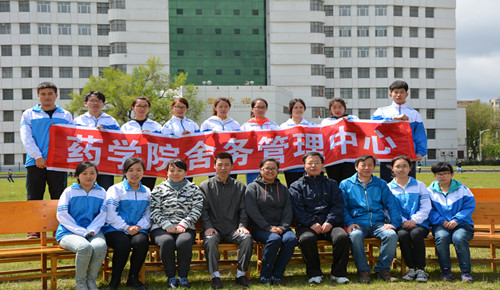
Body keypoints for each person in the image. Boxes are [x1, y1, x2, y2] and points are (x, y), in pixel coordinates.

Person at [20, 82, 73, 239]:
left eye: (50, 93)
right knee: (34, 195)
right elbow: (26, 137)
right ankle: (33, 229)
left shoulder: (66, 115)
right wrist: (37, 156)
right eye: (43, 94)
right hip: (35, 162)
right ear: (38, 96)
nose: (46, 97)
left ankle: (58, 228)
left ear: (56, 95)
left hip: (58, 163)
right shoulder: (29, 114)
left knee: (58, 197)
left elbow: (72, 137)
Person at [289, 152, 349, 285]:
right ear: (304, 166)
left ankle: (338, 273)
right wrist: (311, 223)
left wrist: (330, 221)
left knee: (342, 237)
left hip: (330, 224)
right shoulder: (296, 186)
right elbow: (298, 209)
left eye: (317, 162)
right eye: (309, 163)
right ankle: (314, 273)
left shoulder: (332, 184)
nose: (313, 165)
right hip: (307, 225)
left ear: (323, 165)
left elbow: (337, 206)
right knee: (306, 239)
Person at [340, 155, 402, 283]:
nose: (367, 168)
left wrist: (395, 223)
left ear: (374, 167)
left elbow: (391, 204)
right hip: (357, 223)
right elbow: (342, 207)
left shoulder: (381, 184)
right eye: (363, 165)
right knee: (355, 236)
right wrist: (349, 223)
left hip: (378, 223)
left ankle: (382, 269)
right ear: (356, 167)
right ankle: (364, 271)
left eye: (370, 165)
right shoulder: (346, 184)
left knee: (391, 235)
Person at [199, 152, 253, 289]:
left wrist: (242, 225)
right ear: (214, 166)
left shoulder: (240, 187)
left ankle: (241, 274)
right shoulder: (204, 187)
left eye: (226, 165)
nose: (223, 168)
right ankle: (215, 276)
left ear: (232, 167)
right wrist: (208, 227)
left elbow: (243, 210)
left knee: (246, 238)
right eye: (220, 165)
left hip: (233, 230)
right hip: (213, 229)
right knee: (210, 240)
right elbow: (203, 211)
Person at [150, 159, 204, 289]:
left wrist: (184, 224)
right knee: (166, 241)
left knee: (183, 242)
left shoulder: (194, 189)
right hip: (161, 228)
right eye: (172, 170)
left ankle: (183, 277)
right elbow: (154, 210)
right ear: (167, 172)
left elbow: (197, 209)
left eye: (179, 170)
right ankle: (171, 278)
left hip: (185, 228)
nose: (175, 173)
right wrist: (166, 224)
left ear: (185, 172)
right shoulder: (158, 189)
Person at [245, 158, 297, 285]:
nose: (270, 171)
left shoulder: (283, 189)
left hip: (282, 227)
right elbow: (252, 212)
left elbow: (288, 211)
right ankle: (265, 274)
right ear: (261, 170)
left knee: (291, 240)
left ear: (278, 171)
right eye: (267, 168)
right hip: (261, 228)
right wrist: (268, 227)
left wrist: (283, 227)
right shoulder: (252, 188)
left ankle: (277, 274)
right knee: (274, 239)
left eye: (273, 168)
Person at [56, 161, 107, 290]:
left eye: (92, 173)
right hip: (68, 232)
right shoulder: (69, 191)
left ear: (97, 175)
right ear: (77, 175)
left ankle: (91, 281)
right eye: (84, 173)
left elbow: (103, 215)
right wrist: (81, 231)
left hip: (93, 231)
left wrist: (91, 230)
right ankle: (81, 283)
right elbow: (62, 214)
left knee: (100, 246)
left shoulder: (102, 192)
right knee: (84, 247)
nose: (88, 176)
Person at [102, 157, 151, 290]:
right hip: (115, 229)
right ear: (124, 172)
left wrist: (139, 226)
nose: (135, 173)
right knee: (123, 244)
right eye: (131, 170)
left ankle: (133, 278)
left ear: (143, 172)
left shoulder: (146, 191)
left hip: (137, 229)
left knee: (141, 242)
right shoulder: (115, 189)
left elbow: (148, 214)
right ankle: (115, 280)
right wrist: (126, 227)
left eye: (138, 170)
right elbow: (110, 214)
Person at [428, 161, 475, 282]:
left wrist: (457, 220)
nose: (442, 176)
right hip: (440, 225)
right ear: (435, 176)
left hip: (463, 224)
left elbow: (469, 207)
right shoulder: (430, 191)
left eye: (445, 173)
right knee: (442, 237)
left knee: (459, 238)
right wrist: (442, 221)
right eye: (438, 174)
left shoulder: (463, 189)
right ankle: (446, 271)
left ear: (452, 174)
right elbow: (429, 210)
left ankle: (466, 272)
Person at [371, 80, 427, 183]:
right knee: (387, 185)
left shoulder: (414, 114)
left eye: (401, 92)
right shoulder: (381, 111)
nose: (398, 94)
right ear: (390, 94)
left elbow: (420, 135)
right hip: (387, 154)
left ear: (406, 94)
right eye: (396, 92)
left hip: (408, 154)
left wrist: (420, 152)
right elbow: (373, 125)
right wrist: (393, 119)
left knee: (409, 184)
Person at [388, 156, 431, 282]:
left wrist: (414, 220)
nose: (401, 169)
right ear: (392, 168)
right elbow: (388, 210)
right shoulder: (388, 187)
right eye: (398, 166)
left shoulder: (419, 185)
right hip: (399, 223)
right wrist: (402, 221)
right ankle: (411, 268)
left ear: (410, 168)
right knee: (402, 235)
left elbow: (426, 206)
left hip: (420, 223)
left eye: (405, 166)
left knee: (416, 233)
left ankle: (421, 269)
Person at [74, 91, 120, 190]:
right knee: (85, 189)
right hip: (85, 161)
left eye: (99, 101)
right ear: (85, 103)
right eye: (92, 100)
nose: (95, 103)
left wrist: (106, 129)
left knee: (106, 190)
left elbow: (120, 137)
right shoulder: (78, 120)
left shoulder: (111, 120)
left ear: (103, 104)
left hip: (105, 162)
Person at [121, 97, 162, 190]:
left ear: (148, 108)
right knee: (128, 189)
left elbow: (163, 141)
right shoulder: (126, 126)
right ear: (133, 107)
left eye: (145, 106)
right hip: (131, 164)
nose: (142, 109)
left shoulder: (155, 125)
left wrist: (152, 136)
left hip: (150, 164)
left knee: (147, 190)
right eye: (139, 106)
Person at [241, 98, 279, 184]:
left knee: (271, 186)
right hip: (252, 163)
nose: (260, 109)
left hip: (270, 163)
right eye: (258, 107)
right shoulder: (245, 127)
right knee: (253, 187)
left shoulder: (274, 126)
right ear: (252, 109)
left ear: (266, 109)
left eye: (263, 107)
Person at [320, 98, 358, 184]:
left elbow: (360, 129)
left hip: (349, 159)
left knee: (349, 183)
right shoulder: (326, 122)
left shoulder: (352, 118)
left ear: (344, 108)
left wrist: (349, 121)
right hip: (333, 158)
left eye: (340, 107)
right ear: (330, 109)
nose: (337, 110)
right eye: (334, 107)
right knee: (334, 182)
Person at [279, 99, 316, 187]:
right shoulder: (283, 126)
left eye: (301, 107)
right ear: (290, 109)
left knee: (309, 189)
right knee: (293, 189)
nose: (298, 110)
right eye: (295, 107)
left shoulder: (311, 125)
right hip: (290, 165)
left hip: (308, 164)